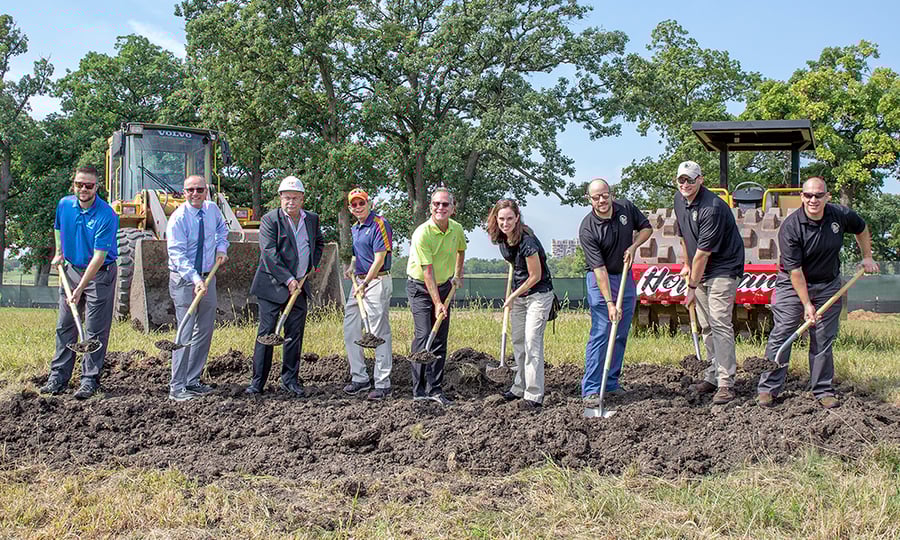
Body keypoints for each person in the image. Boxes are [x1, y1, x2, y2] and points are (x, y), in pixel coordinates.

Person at [757, 177, 879, 409]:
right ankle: (768, 388)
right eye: (809, 195)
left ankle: (822, 389)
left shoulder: (839, 215)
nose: (813, 200)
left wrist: (867, 256)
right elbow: (795, 272)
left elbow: (861, 228)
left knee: (823, 338)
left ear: (827, 196)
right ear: (801, 197)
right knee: (783, 332)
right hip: (791, 286)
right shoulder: (791, 227)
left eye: (818, 195)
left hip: (829, 285)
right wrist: (806, 305)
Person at [41, 166, 119, 400]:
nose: (83, 189)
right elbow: (58, 228)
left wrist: (80, 288)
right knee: (65, 325)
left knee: (94, 329)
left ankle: (89, 380)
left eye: (89, 185)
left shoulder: (106, 214)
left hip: (100, 274)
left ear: (97, 187)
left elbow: (98, 257)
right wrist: (59, 252)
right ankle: (58, 377)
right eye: (79, 184)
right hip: (71, 269)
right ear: (73, 184)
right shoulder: (65, 204)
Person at [245, 176, 324, 396]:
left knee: (294, 335)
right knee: (266, 333)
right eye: (287, 198)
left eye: (295, 198)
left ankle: (289, 380)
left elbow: (318, 243)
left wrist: (311, 268)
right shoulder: (271, 220)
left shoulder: (312, 219)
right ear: (280, 198)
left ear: (302, 199)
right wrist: (289, 280)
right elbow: (269, 253)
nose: (291, 202)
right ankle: (257, 382)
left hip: (300, 286)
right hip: (273, 286)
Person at [674, 161, 745, 405]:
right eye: (681, 180)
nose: (685, 184)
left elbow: (703, 254)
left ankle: (726, 383)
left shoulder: (712, 208)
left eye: (690, 180)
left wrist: (691, 288)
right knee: (706, 325)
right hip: (699, 269)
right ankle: (713, 375)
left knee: (719, 322)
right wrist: (686, 263)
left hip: (724, 268)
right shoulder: (679, 200)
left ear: (701, 180)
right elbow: (683, 234)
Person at [579, 179, 652, 406]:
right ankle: (591, 388)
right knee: (602, 331)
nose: (602, 201)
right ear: (589, 199)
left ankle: (610, 383)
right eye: (596, 197)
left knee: (620, 331)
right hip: (600, 279)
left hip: (624, 277)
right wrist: (610, 302)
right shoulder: (588, 229)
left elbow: (647, 228)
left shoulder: (626, 208)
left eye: (605, 195)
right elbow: (598, 269)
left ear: (611, 194)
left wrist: (633, 246)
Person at [165, 175, 229, 401]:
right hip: (184, 280)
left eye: (199, 189)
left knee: (204, 329)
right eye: (190, 190)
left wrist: (221, 248)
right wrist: (194, 278)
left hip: (207, 277)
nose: (195, 194)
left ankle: (192, 380)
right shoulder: (178, 219)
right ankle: (177, 386)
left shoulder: (212, 210)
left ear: (206, 191)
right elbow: (177, 254)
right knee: (185, 330)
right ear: (183, 192)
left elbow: (222, 230)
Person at [486, 199, 555, 411]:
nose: (505, 223)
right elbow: (514, 264)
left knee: (532, 341)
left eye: (509, 218)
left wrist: (511, 296)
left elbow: (536, 275)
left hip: (538, 294)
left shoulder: (528, 242)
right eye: (501, 219)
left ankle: (533, 394)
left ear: (517, 218)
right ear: (495, 220)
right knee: (518, 341)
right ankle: (519, 386)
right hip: (519, 295)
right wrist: (515, 293)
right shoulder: (502, 240)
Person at [407, 187, 467, 406]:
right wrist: (437, 303)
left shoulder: (457, 229)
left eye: (445, 204)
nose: (440, 208)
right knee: (424, 336)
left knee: (440, 338)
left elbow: (461, 250)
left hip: (444, 286)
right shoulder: (422, 233)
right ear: (431, 207)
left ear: (452, 208)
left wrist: (458, 275)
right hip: (420, 288)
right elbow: (427, 272)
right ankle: (419, 390)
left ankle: (435, 389)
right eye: (436, 204)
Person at [342, 188, 394, 400]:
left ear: (369, 204)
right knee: (350, 328)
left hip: (377, 280)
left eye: (361, 203)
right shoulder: (356, 228)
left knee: (378, 331)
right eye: (353, 204)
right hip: (360, 281)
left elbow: (379, 258)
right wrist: (351, 267)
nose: (358, 207)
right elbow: (358, 255)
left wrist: (366, 283)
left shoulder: (379, 223)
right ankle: (360, 378)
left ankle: (383, 384)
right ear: (349, 208)